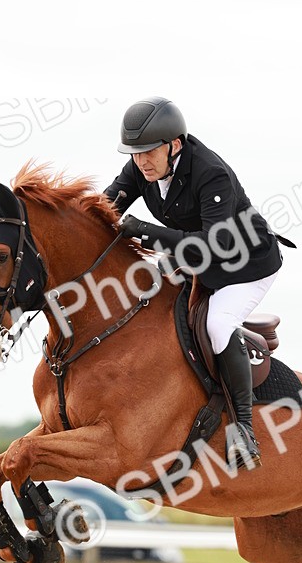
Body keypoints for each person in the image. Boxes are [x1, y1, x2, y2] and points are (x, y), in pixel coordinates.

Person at [103, 97, 287, 469]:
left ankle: (244, 429)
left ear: (174, 145)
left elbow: (215, 244)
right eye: (135, 154)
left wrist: (145, 231)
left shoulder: (210, 173)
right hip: (195, 261)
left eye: (149, 152)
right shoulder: (142, 166)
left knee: (217, 324)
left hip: (245, 265)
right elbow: (103, 208)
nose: (141, 161)